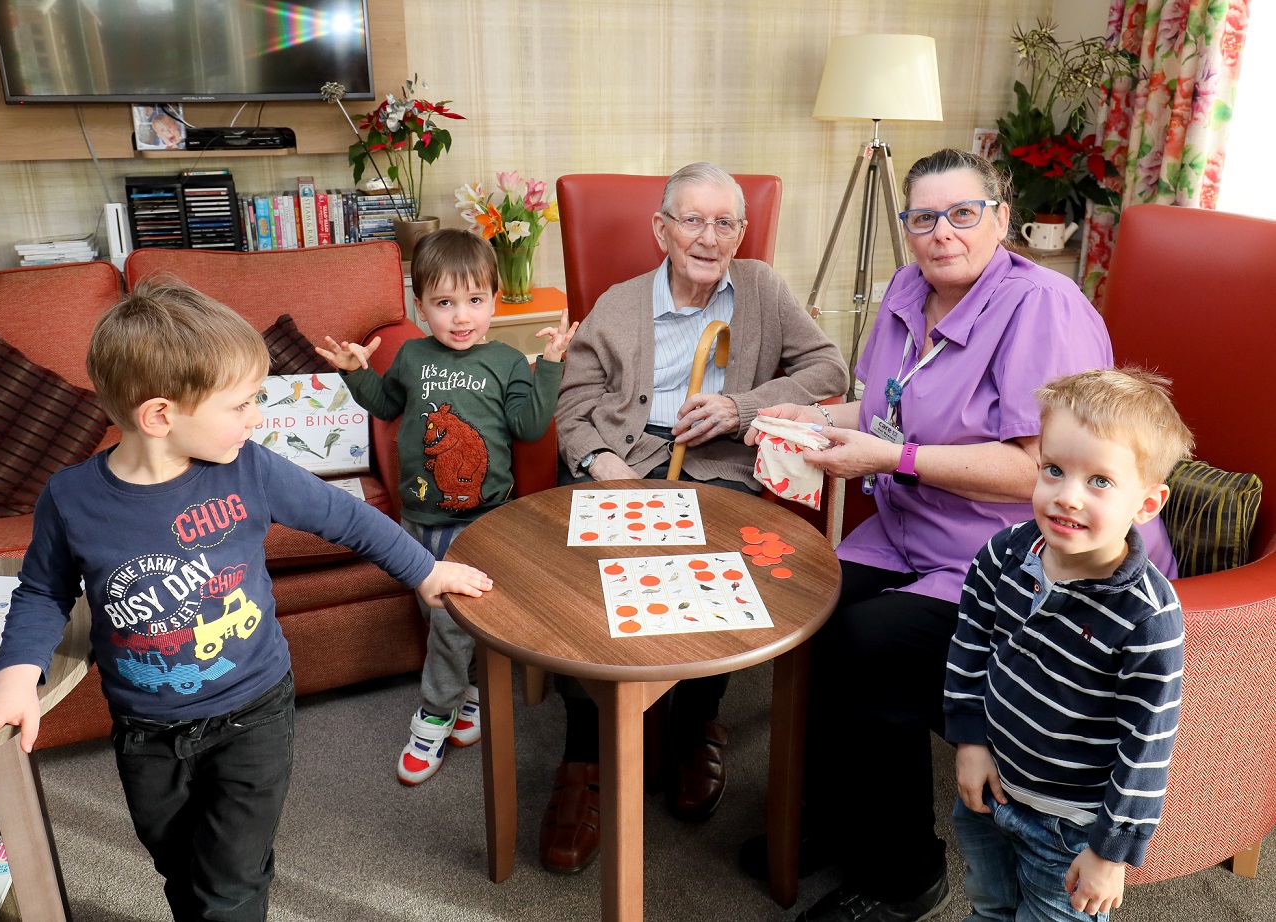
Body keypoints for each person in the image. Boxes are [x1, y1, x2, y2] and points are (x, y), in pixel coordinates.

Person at [0, 279, 491, 922]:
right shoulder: (70, 498)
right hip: (145, 730)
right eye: (242, 403)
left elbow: (348, 517)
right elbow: (42, 591)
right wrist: (14, 680)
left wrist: (426, 572)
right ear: (161, 416)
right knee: (181, 867)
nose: (258, 418)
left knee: (229, 883)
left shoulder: (250, 468)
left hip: (252, 712)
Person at [742, 149, 1178, 922]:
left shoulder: (1045, 306)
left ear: (1001, 219)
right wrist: (809, 418)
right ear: (906, 227)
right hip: (909, 527)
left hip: (1021, 557)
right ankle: (841, 814)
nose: (942, 233)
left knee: (867, 644)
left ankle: (904, 874)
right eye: (922, 217)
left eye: (962, 213)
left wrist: (893, 458)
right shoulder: (907, 290)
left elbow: (1040, 468)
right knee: (800, 605)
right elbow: (883, 410)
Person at [548, 161, 847, 873]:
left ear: (742, 232)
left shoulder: (765, 292)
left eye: (725, 223)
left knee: (710, 582)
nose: (708, 238)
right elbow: (572, 406)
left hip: (717, 468)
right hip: (624, 457)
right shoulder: (618, 305)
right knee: (585, 593)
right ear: (662, 229)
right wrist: (599, 465)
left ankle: (696, 719)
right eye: (692, 219)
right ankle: (584, 756)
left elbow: (829, 369)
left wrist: (741, 407)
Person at [317, 229, 577, 786]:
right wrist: (355, 372)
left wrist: (550, 364)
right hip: (418, 519)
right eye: (444, 303)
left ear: (493, 300)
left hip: (480, 522)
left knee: (449, 625)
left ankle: (433, 714)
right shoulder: (411, 354)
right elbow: (387, 406)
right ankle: (475, 694)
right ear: (421, 307)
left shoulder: (507, 361)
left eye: (475, 301)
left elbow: (530, 426)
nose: (461, 318)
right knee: (435, 615)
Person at [945, 368, 1190, 921]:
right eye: (1053, 470)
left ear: (1147, 505)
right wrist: (970, 740)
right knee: (988, 906)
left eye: (1099, 481)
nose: (1066, 498)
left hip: (1071, 830)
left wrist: (1111, 852)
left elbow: (1147, 744)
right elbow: (970, 647)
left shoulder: (1147, 616)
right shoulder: (1004, 553)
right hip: (995, 790)